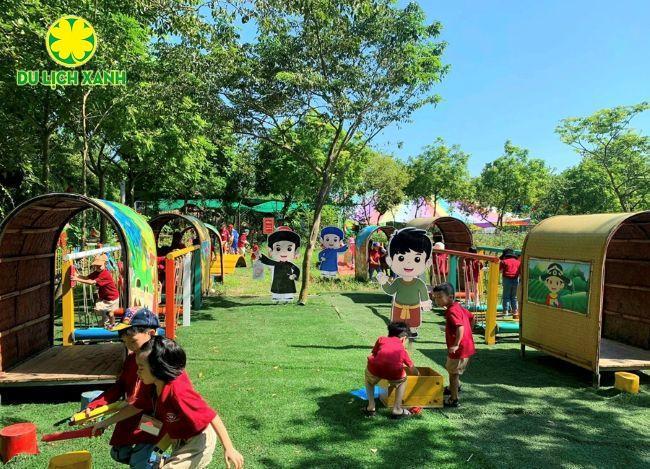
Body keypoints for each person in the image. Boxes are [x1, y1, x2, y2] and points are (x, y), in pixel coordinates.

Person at [93, 336, 244, 469]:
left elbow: (212, 417)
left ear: (158, 369)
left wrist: (229, 448)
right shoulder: (151, 385)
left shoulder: (178, 393)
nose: (137, 372)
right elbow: (136, 407)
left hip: (197, 439)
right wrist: (105, 423)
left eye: (141, 368)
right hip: (177, 436)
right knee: (126, 454)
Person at [86, 307, 160, 468]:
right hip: (131, 414)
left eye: (132, 341)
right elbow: (120, 386)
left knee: (139, 461)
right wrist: (96, 404)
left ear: (151, 334)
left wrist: (108, 421)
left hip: (153, 418)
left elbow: (145, 402)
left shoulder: (160, 362)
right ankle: (158, 462)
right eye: (125, 342)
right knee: (118, 453)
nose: (130, 347)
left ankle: (155, 462)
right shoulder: (132, 359)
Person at [377, 228, 433, 338]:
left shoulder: (419, 283)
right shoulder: (398, 281)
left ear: (427, 262)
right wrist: (384, 282)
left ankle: (412, 330)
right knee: (398, 322)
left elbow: (423, 294)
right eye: (401, 258)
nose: (408, 263)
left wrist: (425, 303)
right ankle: (399, 332)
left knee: (413, 322)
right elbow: (390, 290)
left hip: (414, 307)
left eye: (417, 259)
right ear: (390, 261)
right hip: (399, 307)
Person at [432, 282, 476, 408]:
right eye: (435, 297)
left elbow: (460, 327)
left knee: (453, 373)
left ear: (450, 297)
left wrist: (456, 344)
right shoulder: (458, 307)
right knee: (453, 369)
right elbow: (472, 318)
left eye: (440, 297)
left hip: (459, 349)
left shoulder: (452, 311)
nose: (437, 300)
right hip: (466, 346)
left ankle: (454, 399)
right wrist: (469, 333)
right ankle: (456, 386)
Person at [364, 322, 419, 419]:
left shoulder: (381, 339)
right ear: (403, 337)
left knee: (369, 381)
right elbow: (412, 368)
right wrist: (418, 374)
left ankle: (371, 406)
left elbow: (375, 354)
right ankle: (397, 409)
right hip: (394, 372)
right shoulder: (402, 350)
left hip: (375, 369)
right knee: (403, 381)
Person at [71, 254, 119, 328]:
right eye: (96, 265)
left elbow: (92, 282)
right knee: (98, 309)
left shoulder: (105, 274)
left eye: (100, 265)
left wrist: (77, 279)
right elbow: (86, 278)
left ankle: (112, 324)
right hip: (104, 298)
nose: (98, 267)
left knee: (110, 314)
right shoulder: (97, 272)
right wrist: (76, 275)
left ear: (105, 264)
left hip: (112, 298)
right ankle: (106, 320)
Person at [258, 229, 301, 303]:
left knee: (288, 289)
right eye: (278, 248)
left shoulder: (290, 264)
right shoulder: (276, 263)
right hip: (277, 281)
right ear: (271, 251)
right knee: (277, 288)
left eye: (289, 249)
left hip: (288, 281)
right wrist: (261, 256)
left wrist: (294, 275)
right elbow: (268, 261)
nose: (283, 252)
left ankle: (288, 297)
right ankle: (276, 297)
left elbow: (297, 270)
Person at [500, 248, 521, 318]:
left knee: (506, 296)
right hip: (516, 280)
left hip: (507, 279)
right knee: (514, 297)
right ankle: (515, 311)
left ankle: (505, 311)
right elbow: (520, 272)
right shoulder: (518, 262)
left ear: (505, 255)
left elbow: (500, 270)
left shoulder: (504, 261)